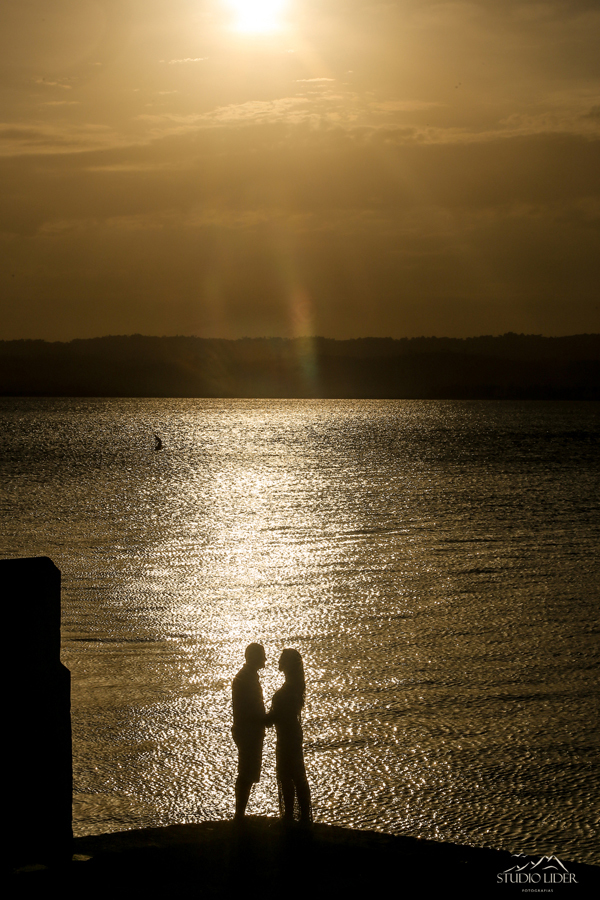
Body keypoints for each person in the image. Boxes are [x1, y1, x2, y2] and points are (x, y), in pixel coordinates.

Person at [266, 648, 312, 824]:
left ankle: (291, 817)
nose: (278, 661)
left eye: (282, 659)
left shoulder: (289, 690)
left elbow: (275, 717)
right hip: (290, 733)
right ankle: (298, 817)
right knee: (294, 774)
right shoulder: (294, 687)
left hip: (287, 735)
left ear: (287, 664)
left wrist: (258, 718)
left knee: (289, 774)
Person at [232, 643, 267, 821]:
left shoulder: (247, 677)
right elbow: (251, 709)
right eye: (262, 655)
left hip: (248, 730)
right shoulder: (246, 679)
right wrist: (267, 719)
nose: (265, 659)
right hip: (249, 732)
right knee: (247, 772)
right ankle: (239, 814)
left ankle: (240, 813)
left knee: (248, 771)